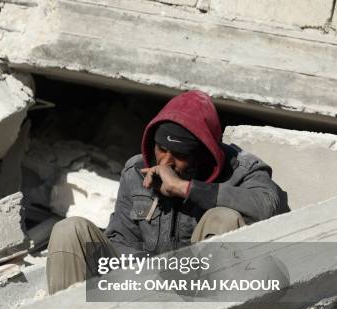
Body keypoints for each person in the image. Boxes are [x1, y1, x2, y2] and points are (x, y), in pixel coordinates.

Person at [46, 90, 287, 294]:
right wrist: (151, 274)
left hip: (203, 287)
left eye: (180, 155)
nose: (166, 161)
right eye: (161, 149)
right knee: (70, 229)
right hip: (148, 282)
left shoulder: (241, 169)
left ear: (202, 155)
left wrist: (185, 188)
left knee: (223, 217)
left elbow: (267, 205)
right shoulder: (137, 170)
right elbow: (121, 240)